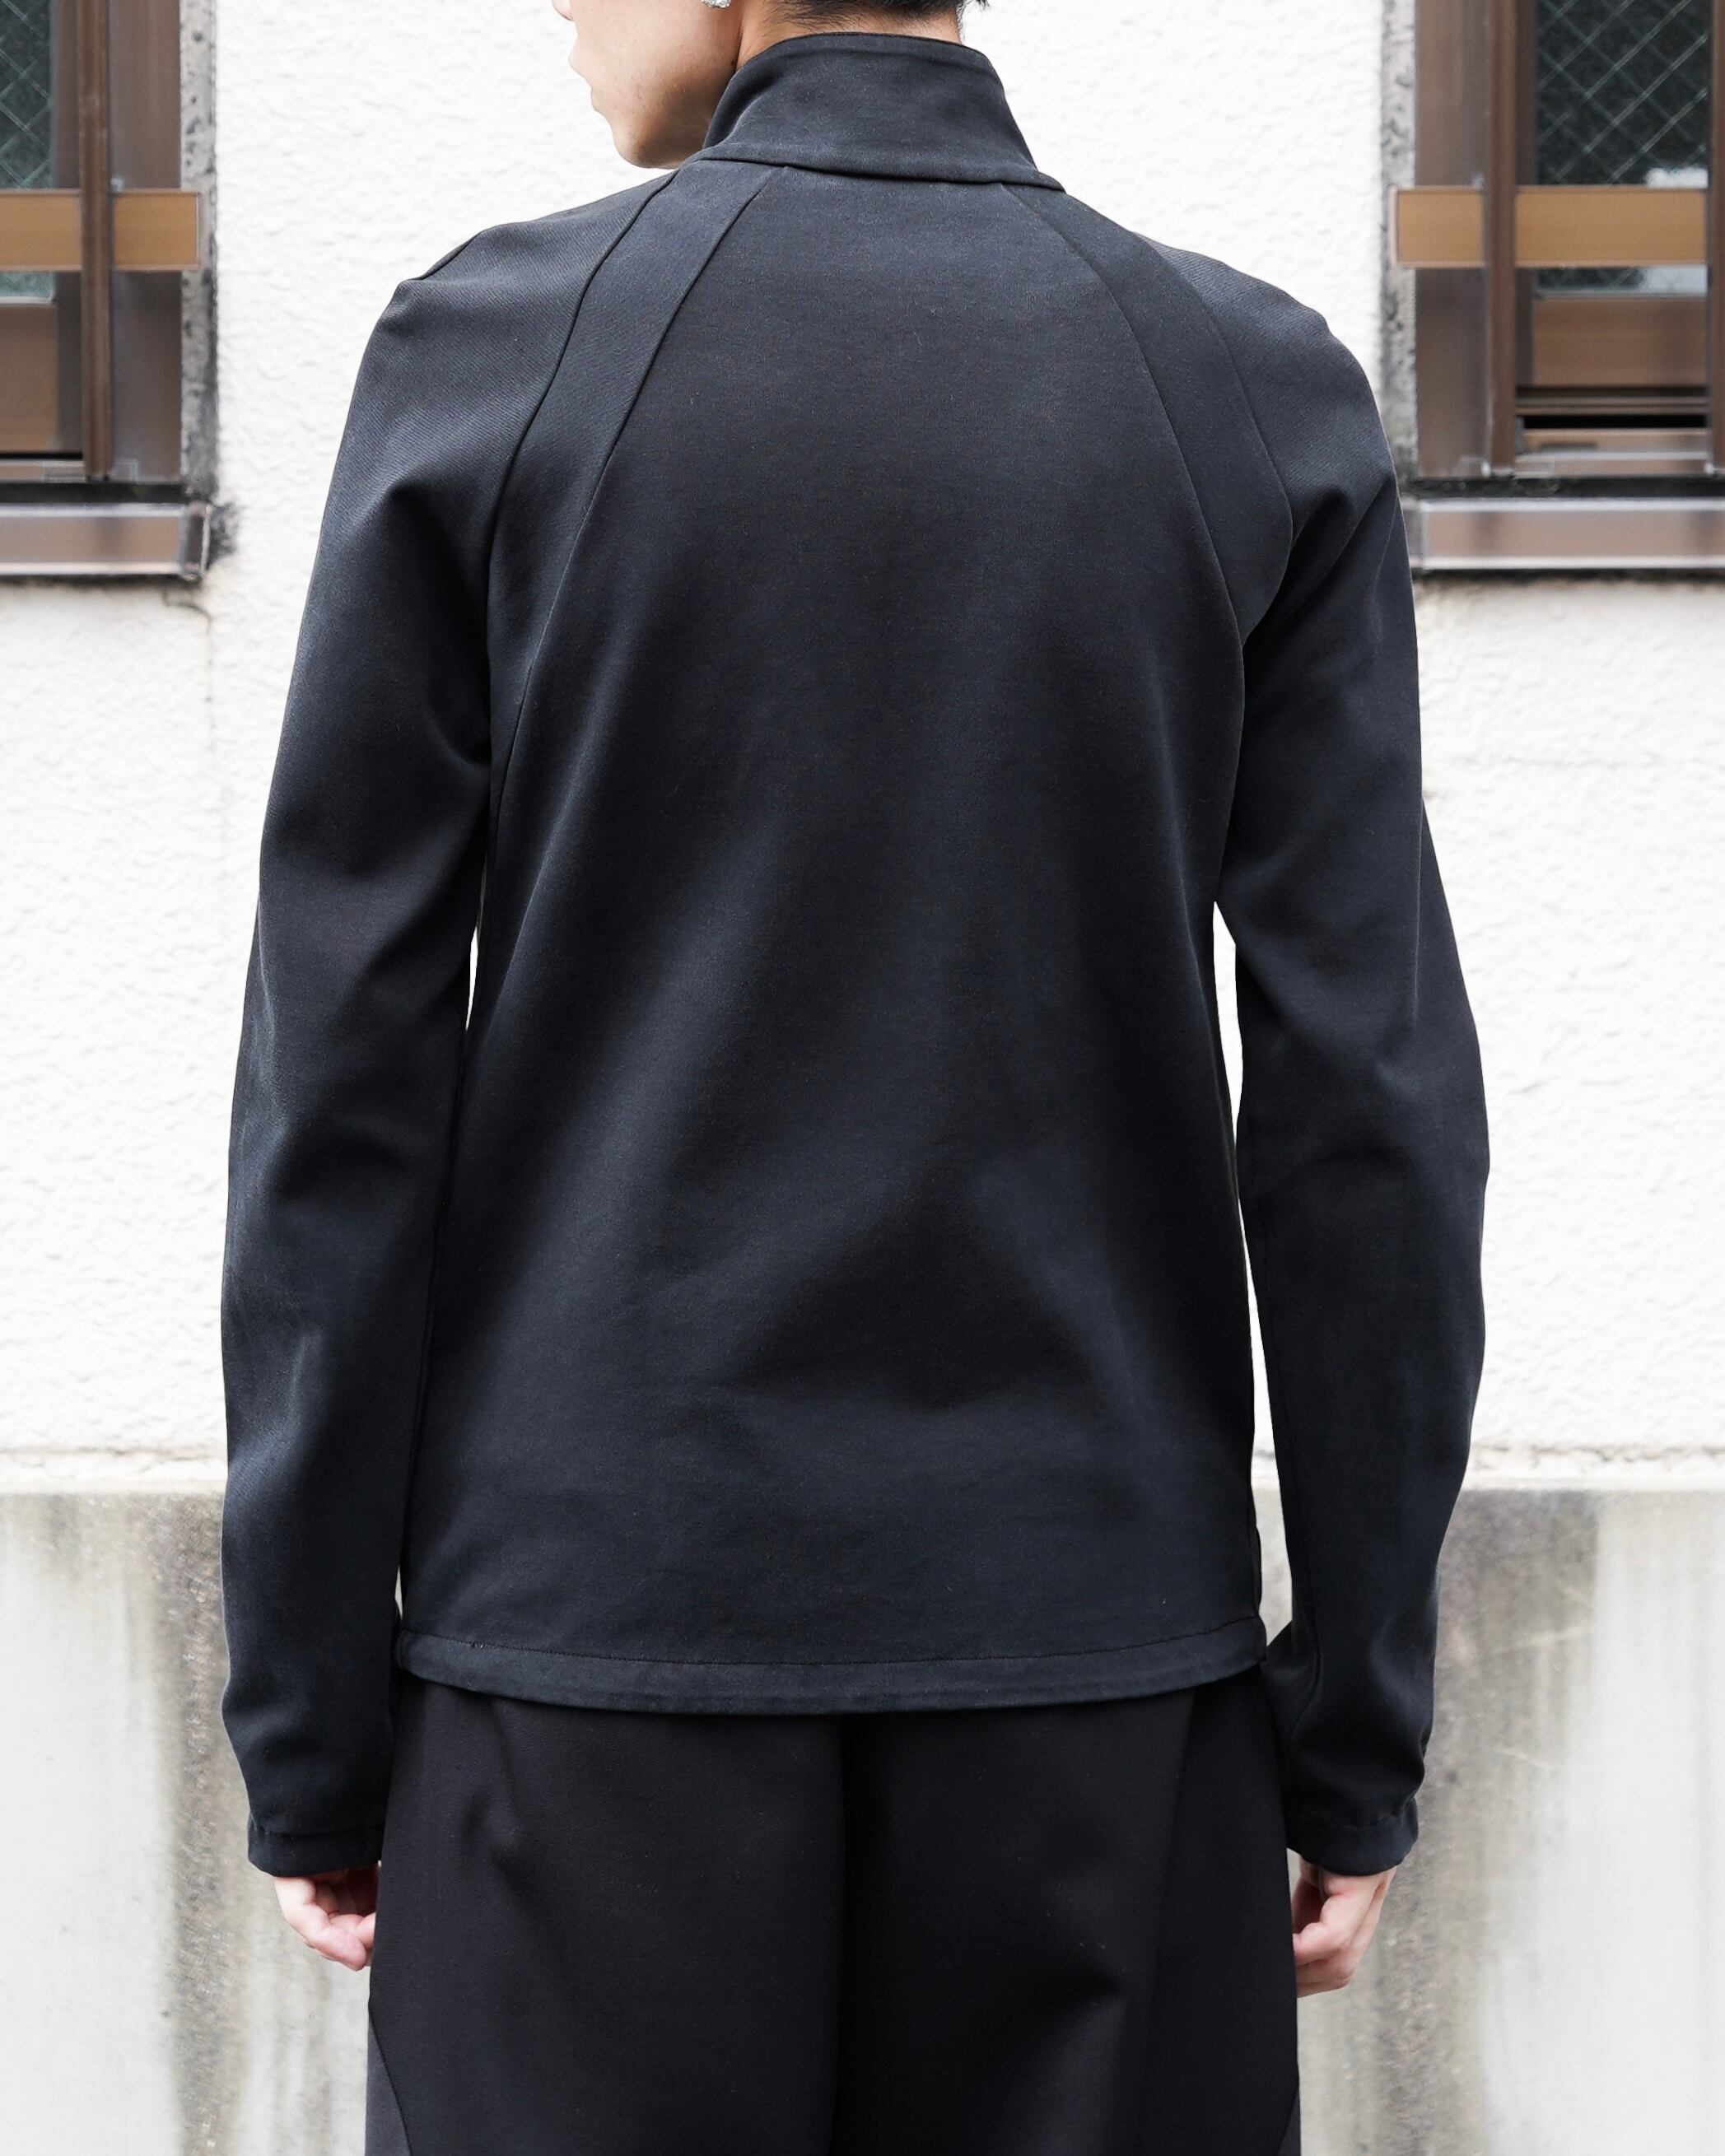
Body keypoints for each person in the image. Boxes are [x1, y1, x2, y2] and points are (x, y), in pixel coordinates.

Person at [219, 2, 1490, 2150]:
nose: (558, 7)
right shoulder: (1246, 390)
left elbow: (341, 1088)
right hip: (1101, 1702)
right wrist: (1351, 1721)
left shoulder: (496, 358)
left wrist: (318, 1723)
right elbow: (1368, 1107)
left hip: (586, 1694)